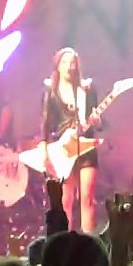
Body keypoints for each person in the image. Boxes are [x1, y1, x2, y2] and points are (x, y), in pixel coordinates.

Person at [41, 47, 100, 233]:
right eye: (65, 62)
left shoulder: (86, 89)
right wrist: (45, 153)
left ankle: (89, 242)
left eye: (72, 62)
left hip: (85, 147)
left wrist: (97, 121)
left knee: (87, 198)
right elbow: (45, 124)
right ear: (58, 66)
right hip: (64, 149)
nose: (69, 66)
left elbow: (97, 122)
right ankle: (64, 241)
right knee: (65, 200)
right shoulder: (51, 91)